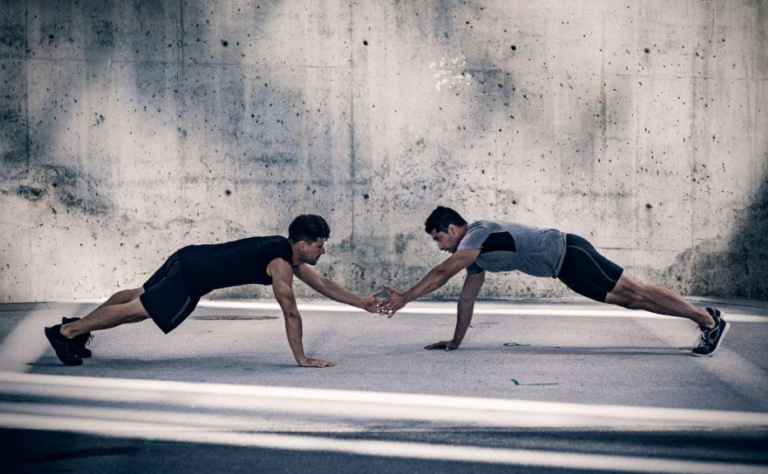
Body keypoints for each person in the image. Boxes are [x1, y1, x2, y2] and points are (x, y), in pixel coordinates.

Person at [378, 206, 729, 357]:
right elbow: (467, 299)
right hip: (564, 270)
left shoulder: (478, 233)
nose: (439, 248)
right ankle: (705, 316)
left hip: (571, 251)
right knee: (631, 300)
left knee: (637, 291)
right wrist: (455, 340)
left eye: (438, 239)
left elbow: (444, 272)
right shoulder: (476, 256)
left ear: (453, 230)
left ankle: (708, 320)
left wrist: (405, 297)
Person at [45, 215, 382, 368]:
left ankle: (75, 327)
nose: (323, 251)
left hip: (188, 255)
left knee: (137, 295)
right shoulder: (281, 263)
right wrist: (302, 358)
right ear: (303, 243)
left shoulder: (285, 253)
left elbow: (324, 285)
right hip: (193, 274)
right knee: (137, 310)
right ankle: (67, 331)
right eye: (320, 246)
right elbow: (290, 310)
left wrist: (362, 303)